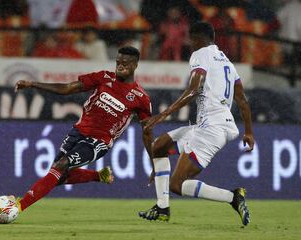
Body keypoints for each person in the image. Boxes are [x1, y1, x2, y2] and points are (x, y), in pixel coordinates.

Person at [13, 46, 153, 214]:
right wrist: (32, 84)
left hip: (99, 142)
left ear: (135, 65)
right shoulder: (103, 77)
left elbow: (147, 132)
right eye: (118, 62)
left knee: (61, 165)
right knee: (58, 176)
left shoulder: (141, 98)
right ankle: (99, 175)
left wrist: (154, 163)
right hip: (78, 132)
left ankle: (18, 207)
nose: (120, 66)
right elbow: (68, 88)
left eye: (126, 63)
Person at [138, 22, 254, 226]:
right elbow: (242, 100)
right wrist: (249, 132)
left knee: (177, 184)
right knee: (159, 146)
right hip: (214, 124)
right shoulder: (228, 63)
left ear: (198, 38)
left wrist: (162, 115)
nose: (190, 43)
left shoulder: (200, 54)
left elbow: (193, 90)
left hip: (211, 128)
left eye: (191, 39)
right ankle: (162, 208)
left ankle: (233, 197)